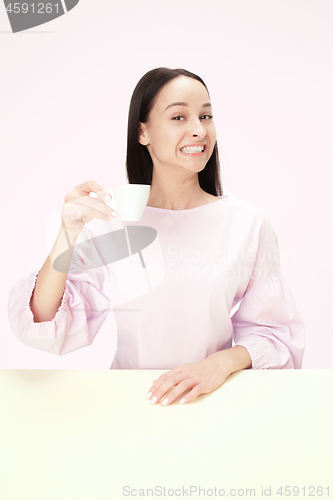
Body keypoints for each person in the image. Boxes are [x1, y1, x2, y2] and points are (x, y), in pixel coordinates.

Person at [7, 67, 306, 407]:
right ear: (142, 132)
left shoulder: (247, 223)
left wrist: (218, 365)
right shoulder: (112, 223)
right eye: (179, 116)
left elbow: (276, 335)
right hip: (131, 405)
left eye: (206, 115)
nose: (199, 130)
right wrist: (66, 235)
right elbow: (42, 324)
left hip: (214, 404)